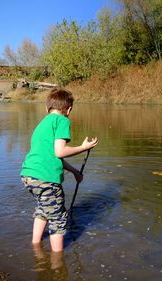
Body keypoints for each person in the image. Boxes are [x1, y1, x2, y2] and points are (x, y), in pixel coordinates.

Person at [20, 88, 98, 252]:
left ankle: (35, 245)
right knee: (57, 217)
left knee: (44, 209)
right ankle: (57, 261)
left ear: (46, 108)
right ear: (69, 109)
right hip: (46, 178)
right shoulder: (62, 121)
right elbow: (60, 152)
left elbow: (53, 156)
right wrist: (83, 148)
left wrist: (75, 172)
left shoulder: (43, 124)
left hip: (29, 175)